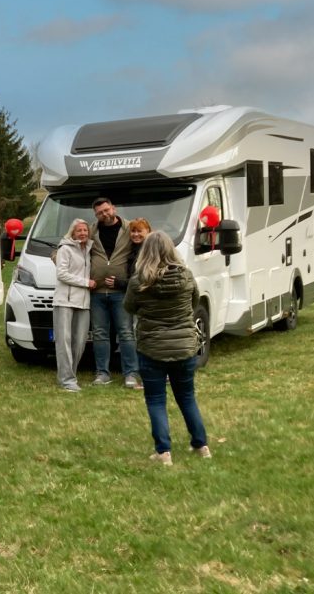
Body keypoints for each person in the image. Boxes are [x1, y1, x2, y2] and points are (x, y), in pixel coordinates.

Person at [123, 231, 212, 466]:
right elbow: (194, 303)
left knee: (155, 400)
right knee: (186, 396)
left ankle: (164, 452)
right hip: (184, 346)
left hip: (151, 347)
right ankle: (201, 444)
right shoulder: (186, 276)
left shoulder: (138, 281)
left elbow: (129, 307)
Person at [88, 197, 141, 388]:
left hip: (121, 292)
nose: (104, 214)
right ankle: (102, 373)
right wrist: (57, 256)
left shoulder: (130, 228)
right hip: (97, 292)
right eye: (100, 213)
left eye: (106, 210)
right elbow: (69, 241)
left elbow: (146, 241)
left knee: (126, 333)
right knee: (100, 334)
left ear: (114, 208)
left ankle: (131, 374)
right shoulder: (91, 230)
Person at [108, 217, 152, 391]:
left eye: (139, 231)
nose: (135, 234)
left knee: (144, 336)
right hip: (132, 299)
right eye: (133, 231)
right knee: (131, 334)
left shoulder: (149, 251)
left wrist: (120, 284)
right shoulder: (133, 250)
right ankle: (134, 372)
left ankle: (148, 372)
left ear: (148, 231)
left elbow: (143, 280)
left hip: (145, 301)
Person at [53, 219, 95, 392]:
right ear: (73, 232)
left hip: (83, 302)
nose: (83, 233)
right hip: (64, 301)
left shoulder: (89, 250)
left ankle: (71, 375)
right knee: (64, 340)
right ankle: (66, 379)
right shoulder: (65, 249)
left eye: (85, 230)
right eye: (79, 230)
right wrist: (86, 282)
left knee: (79, 342)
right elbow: (62, 274)